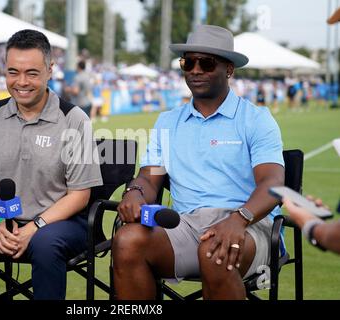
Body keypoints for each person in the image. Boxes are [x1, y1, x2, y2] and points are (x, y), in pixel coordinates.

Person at [112, 25, 285, 300]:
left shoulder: (256, 119)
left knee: (214, 250)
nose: (194, 70)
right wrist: (135, 192)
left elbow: (273, 183)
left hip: (250, 224)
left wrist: (238, 220)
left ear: (229, 69)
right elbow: (149, 176)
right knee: (127, 241)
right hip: (186, 225)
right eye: (187, 62)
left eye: (206, 63)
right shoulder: (167, 121)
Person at [0, 29, 103, 300]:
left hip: (63, 222)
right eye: (13, 72)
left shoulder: (74, 119)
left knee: (45, 245)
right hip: (8, 218)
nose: (21, 82)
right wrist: (1, 221)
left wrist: (34, 227)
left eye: (32, 73)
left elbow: (80, 195)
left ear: (49, 71)